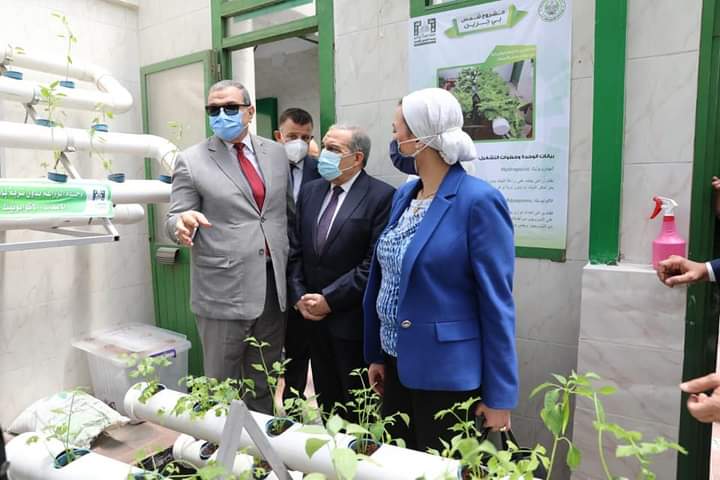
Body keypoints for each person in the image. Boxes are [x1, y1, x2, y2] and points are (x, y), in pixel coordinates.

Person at [363, 88, 519, 452]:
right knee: (398, 465)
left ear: (419, 138)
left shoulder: (479, 201)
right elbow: (388, 277)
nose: (393, 138)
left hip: (447, 375)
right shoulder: (405, 196)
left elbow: (497, 303)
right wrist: (377, 354)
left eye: (397, 129)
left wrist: (500, 396)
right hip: (396, 363)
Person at [166, 79, 291, 415]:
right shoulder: (191, 160)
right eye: (214, 109)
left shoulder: (276, 154)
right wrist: (180, 224)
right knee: (221, 386)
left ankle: (258, 441)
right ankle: (223, 443)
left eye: (230, 108)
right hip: (222, 291)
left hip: (271, 287)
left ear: (250, 112)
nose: (221, 115)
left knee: (263, 380)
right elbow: (174, 216)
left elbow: (284, 214)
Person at [288, 124, 395, 418]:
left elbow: (373, 264)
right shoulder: (310, 192)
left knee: (359, 412)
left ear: (357, 158)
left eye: (334, 149)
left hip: (352, 325)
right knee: (328, 407)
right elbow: (295, 249)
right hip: (312, 322)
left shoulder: (381, 196)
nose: (324, 154)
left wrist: (330, 300)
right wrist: (299, 296)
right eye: (324, 146)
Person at [273, 108, 321, 203]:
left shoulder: (320, 171)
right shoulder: (263, 167)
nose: (299, 142)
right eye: (292, 136)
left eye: (305, 137)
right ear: (278, 136)